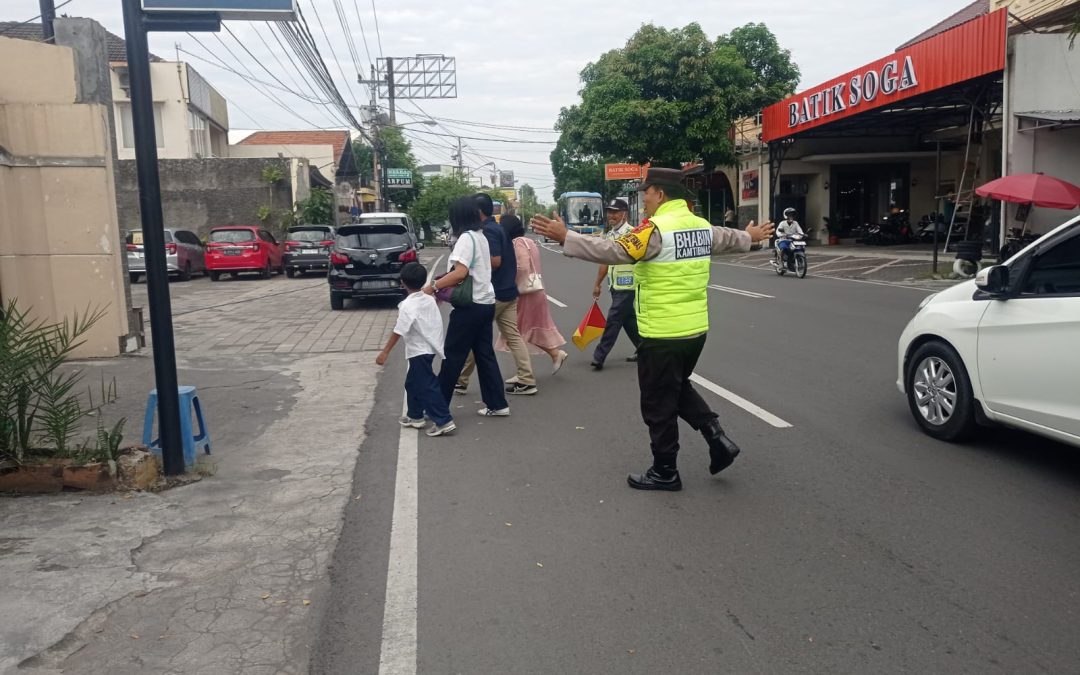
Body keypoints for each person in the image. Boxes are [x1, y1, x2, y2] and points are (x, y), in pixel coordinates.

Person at [531, 168, 774, 492]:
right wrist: (752, 236)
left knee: (658, 403)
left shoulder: (655, 231)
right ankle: (716, 438)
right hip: (695, 331)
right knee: (675, 387)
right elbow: (728, 237)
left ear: (660, 194)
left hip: (662, 333)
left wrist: (567, 237)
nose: (642, 199)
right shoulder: (699, 226)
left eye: (646, 193)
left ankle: (665, 471)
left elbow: (615, 251)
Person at [425, 197, 510, 417]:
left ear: (457, 217)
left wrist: (433, 286)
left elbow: (460, 273)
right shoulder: (480, 237)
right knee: (484, 355)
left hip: (470, 307)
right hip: (486, 303)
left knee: (452, 356)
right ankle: (498, 404)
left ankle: (437, 409)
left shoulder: (465, 238)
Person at [456, 193, 537, 396]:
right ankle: (527, 379)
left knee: (474, 336)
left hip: (495, 294)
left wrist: (470, 262)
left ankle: (460, 379)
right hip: (508, 291)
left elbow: (496, 261)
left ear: (478, 212)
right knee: (513, 336)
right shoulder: (498, 228)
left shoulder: (488, 231)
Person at [375, 262, 456, 437]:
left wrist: (385, 352)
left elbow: (399, 330)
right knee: (412, 383)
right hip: (430, 347)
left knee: (427, 385)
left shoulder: (407, 305)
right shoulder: (428, 299)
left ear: (402, 282)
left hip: (419, 350)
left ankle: (443, 420)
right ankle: (415, 416)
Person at [499, 214, 567, 379]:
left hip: (525, 293)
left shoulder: (516, 244)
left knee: (517, 333)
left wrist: (510, 281)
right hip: (535, 291)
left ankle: (524, 373)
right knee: (526, 331)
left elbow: (522, 267)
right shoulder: (529, 242)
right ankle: (554, 354)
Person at [590, 198, 641, 370]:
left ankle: (599, 356)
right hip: (615, 285)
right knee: (628, 319)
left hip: (628, 285)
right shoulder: (609, 235)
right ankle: (644, 350)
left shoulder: (633, 234)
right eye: (609, 212)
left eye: (615, 212)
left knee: (614, 319)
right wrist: (597, 283)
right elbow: (605, 261)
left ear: (624, 214)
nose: (611, 215)